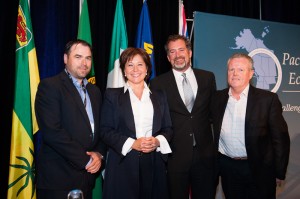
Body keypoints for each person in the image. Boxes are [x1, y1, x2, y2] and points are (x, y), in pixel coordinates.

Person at [211, 53, 290, 199]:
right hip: (228, 169)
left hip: (259, 168)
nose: (235, 74)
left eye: (240, 70)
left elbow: (280, 139)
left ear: (251, 74)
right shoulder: (217, 98)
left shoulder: (268, 100)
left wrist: (279, 171)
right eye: (231, 69)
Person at [35, 39, 106, 199]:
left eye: (88, 58)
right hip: (58, 181)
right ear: (66, 59)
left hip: (86, 180)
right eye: (78, 57)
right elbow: (53, 132)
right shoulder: (50, 86)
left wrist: (98, 154)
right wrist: (87, 160)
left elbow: (101, 129)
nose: (84, 63)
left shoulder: (95, 91)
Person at [100, 47, 173, 199]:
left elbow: (168, 128)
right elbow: (105, 130)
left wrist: (157, 141)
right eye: (130, 64)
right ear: (124, 70)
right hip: (123, 163)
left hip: (153, 163)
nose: (135, 69)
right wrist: (133, 143)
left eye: (140, 64)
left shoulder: (159, 96)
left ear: (147, 69)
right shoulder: (112, 95)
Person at [150, 34, 217, 199]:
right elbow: (158, 121)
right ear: (167, 57)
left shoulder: (207, 78)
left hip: (205, 156)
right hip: (175, 158)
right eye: (172, 52)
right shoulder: (158, 83)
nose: (178, 55)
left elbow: (213, 113)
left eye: (181, 50)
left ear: (190, 52)